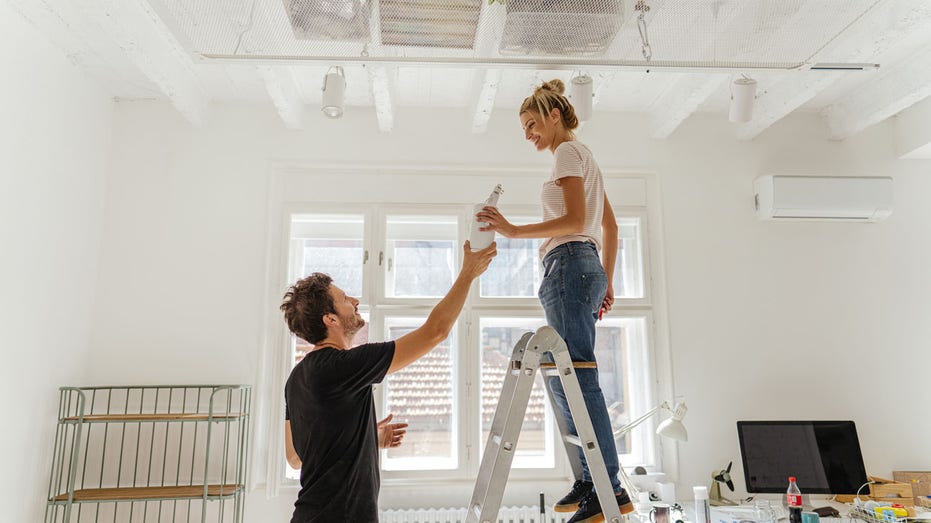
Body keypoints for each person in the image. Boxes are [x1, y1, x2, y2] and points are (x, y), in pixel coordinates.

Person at [475, 78, 627, 523]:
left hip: (570, 265)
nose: (528, 135)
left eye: (531, 124)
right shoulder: (585, 159)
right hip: (582, 266)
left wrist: (513, 231)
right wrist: (607, 281)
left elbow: (578, 219)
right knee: (565, 375)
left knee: (577, 374)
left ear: (553, 115)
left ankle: (606, 488)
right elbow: (608, 227)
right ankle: (591, 479)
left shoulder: (566, 152)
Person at [280, 241, 496, 523]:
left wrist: (365, 439)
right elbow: (435, 331)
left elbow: (296, 457)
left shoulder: (296, 379)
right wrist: (468, 273)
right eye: (345, 299)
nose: (355, 302)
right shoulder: (343, 366)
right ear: (330, 318)